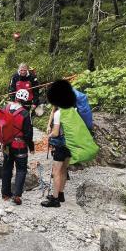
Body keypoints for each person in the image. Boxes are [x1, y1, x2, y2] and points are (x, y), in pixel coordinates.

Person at [41, 79, 77, 208]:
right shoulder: (73, 110)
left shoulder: (58, 113)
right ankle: (61, 194)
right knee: (64, 170)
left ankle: (55, 199)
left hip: (60, 145)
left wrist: (48, 136)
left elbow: (56, 133)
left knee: (56, 172)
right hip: (71, 144)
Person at [0, 89, 35, 205]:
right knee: (21, 169)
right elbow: (28, 134)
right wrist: (31, 147)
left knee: (7, 167)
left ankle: (5, 193)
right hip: (19, 145)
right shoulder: (24, 113)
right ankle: (17, 194)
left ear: (15, 97)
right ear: (26, 100)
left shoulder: (5, 108)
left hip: (7, 144)